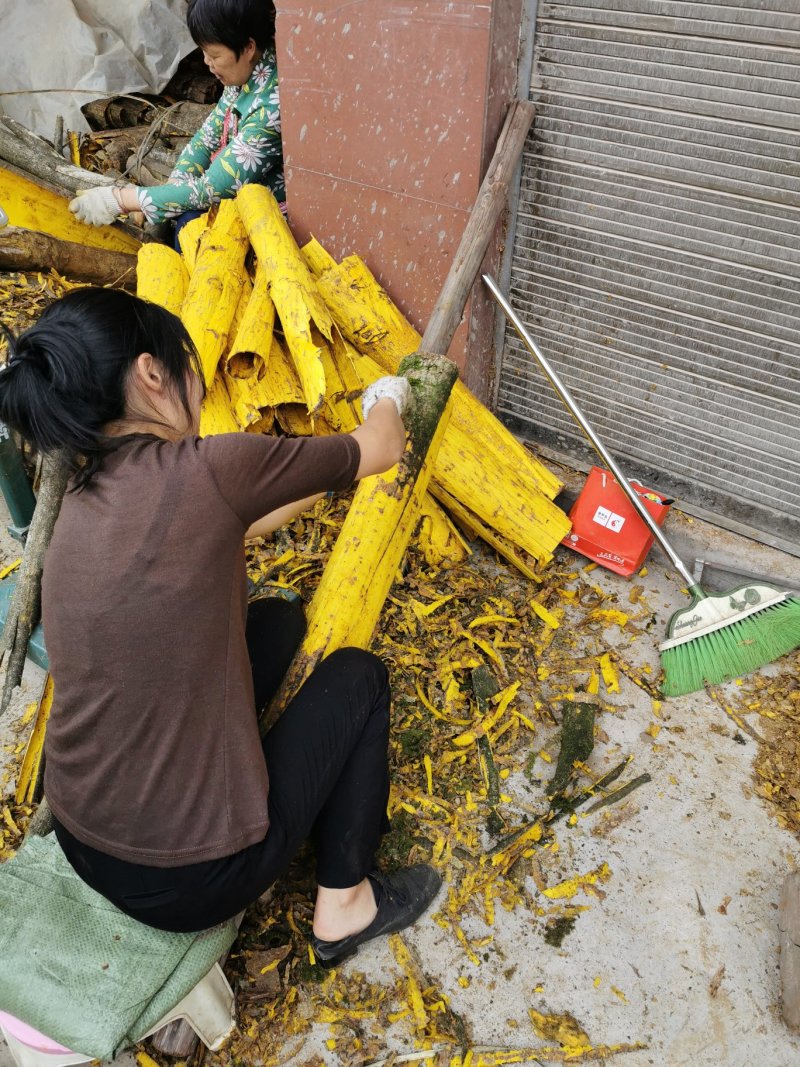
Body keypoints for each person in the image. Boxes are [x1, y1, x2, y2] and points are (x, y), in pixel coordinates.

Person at [0, 288, 440, 965]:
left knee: (275, 621)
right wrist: (389, 396)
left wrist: (320, 474)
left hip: (85, 836)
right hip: (188, 882)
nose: (201, 393)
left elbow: (235, 521)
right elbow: (380, 446)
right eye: (192, 370)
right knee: (358, 677)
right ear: (151, 373)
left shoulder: (84, 501)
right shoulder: (209, 469)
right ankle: (343, 906)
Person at [69, 0, 284, 231]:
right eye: (204, 52)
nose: (207, 63)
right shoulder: (246, 71)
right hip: (227, 191)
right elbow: (205, 140)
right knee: (182, 216)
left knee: (191, 225)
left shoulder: (272, 106)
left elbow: (212, 188)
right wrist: (174, 186)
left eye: (214, 54)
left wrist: (120, 200)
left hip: (267, 213)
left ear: (249, 47)